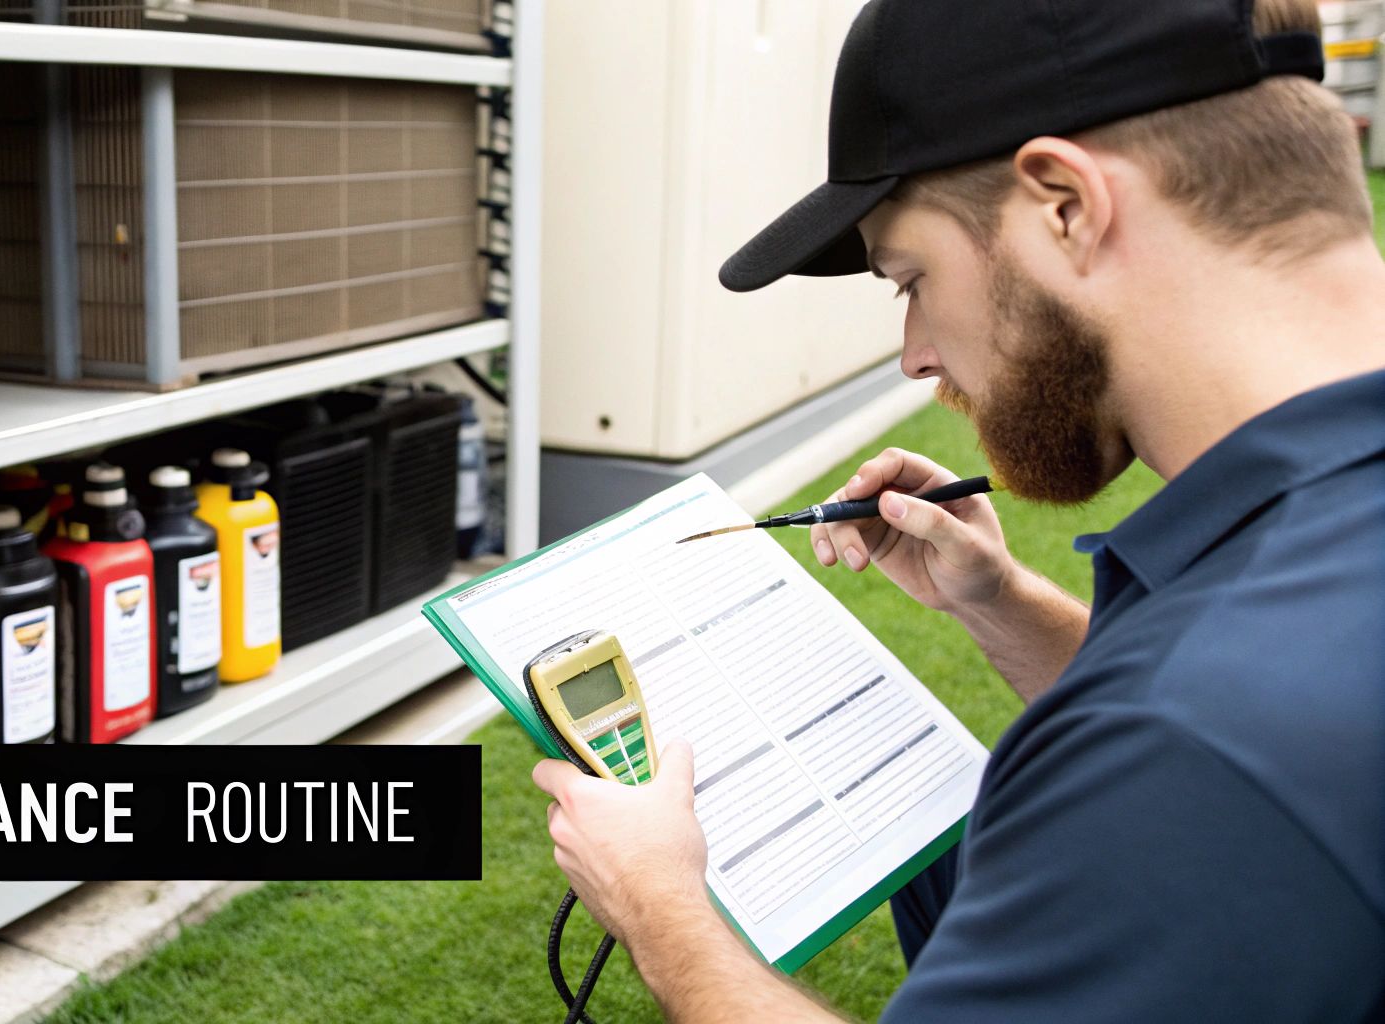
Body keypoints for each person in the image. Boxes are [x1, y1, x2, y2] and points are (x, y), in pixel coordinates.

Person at [531, 0, 1385, 1019]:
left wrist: (660, 907)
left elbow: (1219, 742)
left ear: (1065, 205)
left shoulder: (1191, 734)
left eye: (912, 278)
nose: (916, 355)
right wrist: (1001, 600)